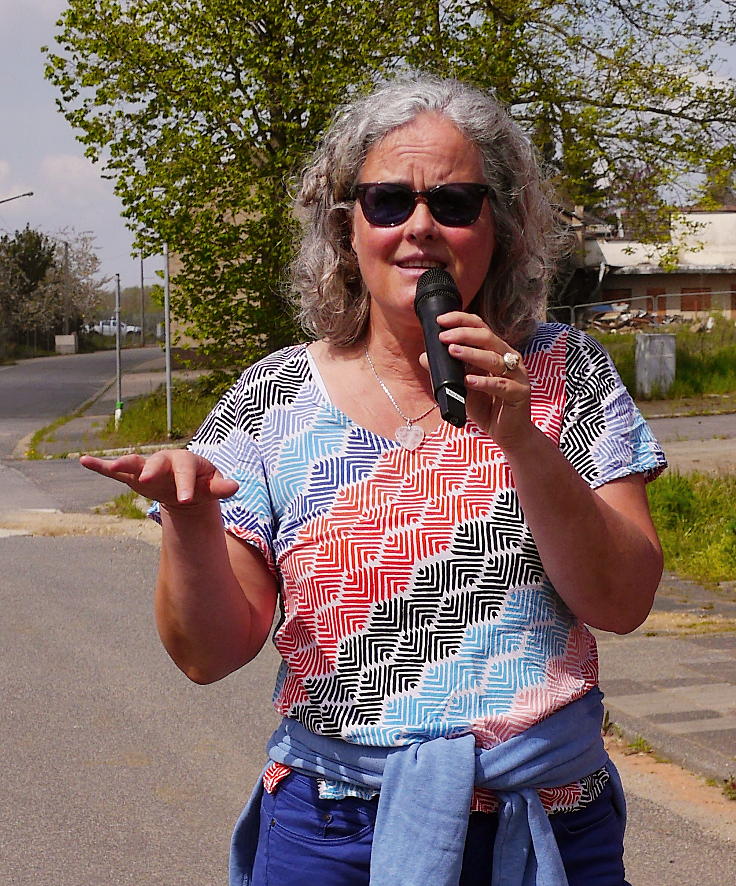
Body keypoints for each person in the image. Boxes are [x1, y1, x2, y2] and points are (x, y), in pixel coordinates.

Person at [81, 72, 667, 886]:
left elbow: (625, 599)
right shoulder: (271, 400)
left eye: (455, 203)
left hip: (549, 826)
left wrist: (526, 442)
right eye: (388, 202)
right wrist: (188, 524)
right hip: (332, 833)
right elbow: (207, 657)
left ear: (499, 226)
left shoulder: (568, 373)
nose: (420, 227)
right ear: (346, 227)